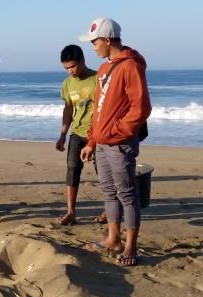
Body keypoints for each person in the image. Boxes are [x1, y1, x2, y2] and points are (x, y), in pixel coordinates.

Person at [78, 17, 151, 265]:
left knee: (127, 194)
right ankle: (113, 238)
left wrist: (118, 131)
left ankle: (131, 246)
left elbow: (140, 108)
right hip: (102, 143)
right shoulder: (103, 69)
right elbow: (99, 110)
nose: (93, 46)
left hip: (120, 143)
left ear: (108, 40)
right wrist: (92, 141)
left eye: (95, 41)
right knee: (109, 192)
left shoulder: (130, 66)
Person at [56, 44, 106, 226]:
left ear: (83, 61)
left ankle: (110, 210)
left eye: (73, 67)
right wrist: (62, 135)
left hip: (99, 133)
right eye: (66, 68)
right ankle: (71, 212)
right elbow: (68, 109)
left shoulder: (97, 78)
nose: (70, 71)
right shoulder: (67, 84)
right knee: (72, 169)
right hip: (77, 132)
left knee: (104, 173)